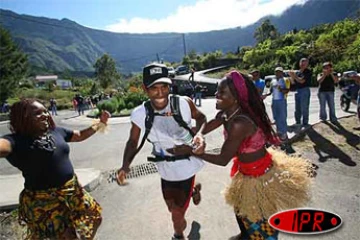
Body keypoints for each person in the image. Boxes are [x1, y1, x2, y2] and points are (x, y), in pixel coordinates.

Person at [170, 70, 313, 239]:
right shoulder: (228, 113)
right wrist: (189, 134)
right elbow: (205, 127)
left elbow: (223, 159)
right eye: (218, 90)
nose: (216, 94)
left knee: (259, 223)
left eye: (221, 92)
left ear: (235, 98)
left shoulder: (240, 123)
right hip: (246, 172)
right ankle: (244, 234)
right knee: (240, 207)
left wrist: (191, 152)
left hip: (259, 175)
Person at [116, 63, 206, 240]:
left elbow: (201, 118)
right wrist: (125, 166)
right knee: (172, 208)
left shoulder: (183, 103)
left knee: (177, 214)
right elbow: (133, 141)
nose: (160, 92)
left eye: (164, 86)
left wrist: (200, 135)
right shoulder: (140, 114)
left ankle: (178, 235)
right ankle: (194, 192)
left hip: (187, 166)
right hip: (165, 169)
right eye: (154, 88)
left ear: (169, 85)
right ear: (145, 89)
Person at [0, 99, 110, 239]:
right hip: (44, 202)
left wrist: (100, 123)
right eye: (37, 113)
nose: (45, 114)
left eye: (45, 111)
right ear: (23, 117)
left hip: (73, 191)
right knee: (65, 236)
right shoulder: (15, 141)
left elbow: (80, 135)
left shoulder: (56, 131)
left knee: (95, 216)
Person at [289, 58, 312, 128]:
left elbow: (302, 81)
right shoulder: (297, 72)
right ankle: (298, 122)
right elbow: (293, 83)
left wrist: (294, 76)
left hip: (304, 90)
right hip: (297, 90)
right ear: (299, 63)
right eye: (302, 62)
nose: (303, 64)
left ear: (307, 64)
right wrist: (291, 77)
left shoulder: (307, 72)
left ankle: (305, 123)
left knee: (304, 107)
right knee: (297, 107)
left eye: (305, 63)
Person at [270, 67, 290, 141]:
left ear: (282, 72)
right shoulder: (273, 80)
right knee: (276, 117)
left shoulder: (286, 80)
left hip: (282, 100)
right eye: (276, 72)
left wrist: (281, 89)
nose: (278, 73)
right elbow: (271, 90)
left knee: (282, 117)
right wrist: (265, 95)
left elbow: (287, 90)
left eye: (279, 72)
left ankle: (284, 133)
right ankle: (279, 132)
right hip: (274, 100)